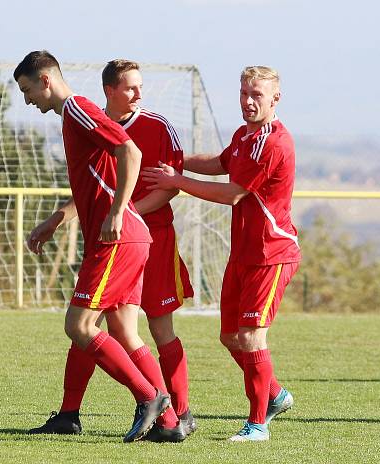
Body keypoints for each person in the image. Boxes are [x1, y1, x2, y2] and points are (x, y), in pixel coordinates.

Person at [25, 59, 195, 443]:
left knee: (80, 325)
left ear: (46, 80)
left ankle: (150, 399)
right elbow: (97, 179)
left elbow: (130, 153)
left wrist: (118, 211)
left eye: (27, 90)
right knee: (122, 330)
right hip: (128, 238)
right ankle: (168, 422)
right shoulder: (78, 114)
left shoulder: (77, 108)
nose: (27, 99)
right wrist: (56, 219)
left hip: (119, 239)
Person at [142, 65, 300, 442]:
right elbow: (219, 164)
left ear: (275, 98)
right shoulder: (246, 136)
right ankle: (274, 394)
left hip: (271, 254)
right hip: (243, 254)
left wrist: (176, 181)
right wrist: (176, 160)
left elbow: (232, 194)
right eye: (244, 93)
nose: (248, 101)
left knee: (251, 338)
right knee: (230, 337)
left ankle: (258, 424)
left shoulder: (274, 142)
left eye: (256, 94)